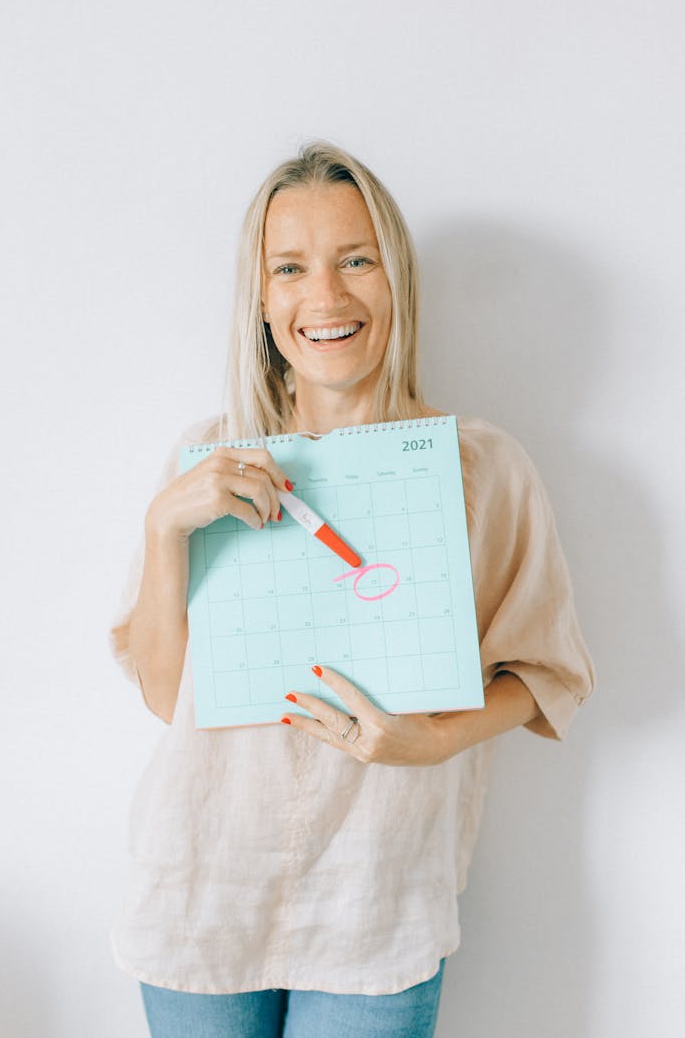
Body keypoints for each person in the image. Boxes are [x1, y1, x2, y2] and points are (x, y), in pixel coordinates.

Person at [108, 140, 595, 1038]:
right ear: (262, 298)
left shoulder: (480, 465)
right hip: (201, 892)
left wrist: (429, 740)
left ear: (396, 278)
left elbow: (548, 670)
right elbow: (168, 695)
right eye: (290, 268)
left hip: (379, 900)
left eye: (355, 260)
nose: (325, 297)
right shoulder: (208, 460)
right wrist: (162, 529)